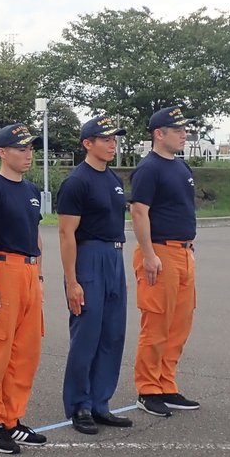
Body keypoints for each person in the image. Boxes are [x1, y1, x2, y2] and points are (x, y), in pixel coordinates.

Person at [0, 122, 48, 453]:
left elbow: (36, 235)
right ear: (2, 153)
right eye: (21, 148)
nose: (28, 154)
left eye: (30, 148)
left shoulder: (31, 192)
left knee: (26, 351)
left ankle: (14, 419)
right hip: (4, 270)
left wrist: (40, 275)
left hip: (30, 272)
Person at [57, 114, 134, 435]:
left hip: (114, 256)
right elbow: (66, 234)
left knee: (112, 333)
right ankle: (80, 405)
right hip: (89, 257)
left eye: (114, 139)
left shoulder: (113, 179)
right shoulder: (77, 182)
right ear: (88, 144)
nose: (112, 144)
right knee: (87, 335)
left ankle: (101, 402)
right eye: (105, 139)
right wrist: (72, 281)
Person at [130, 106, 201, 417]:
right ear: (159, 134)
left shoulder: (181, 167)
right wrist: (148, 255)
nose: (184, 134)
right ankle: (148, 390)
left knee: (178, 325)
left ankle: (166, 384)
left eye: (184, 129)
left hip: (184, 253)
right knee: (157, 324)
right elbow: (139, 212)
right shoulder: (149, 168)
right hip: (160, 253)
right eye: (177, 130)